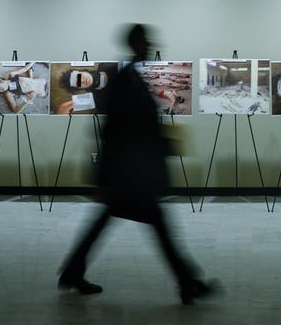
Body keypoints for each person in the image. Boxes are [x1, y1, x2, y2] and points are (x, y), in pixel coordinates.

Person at [57, 24, 219, 305]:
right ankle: (188, 283)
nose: (151, 44)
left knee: (110, 222)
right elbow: (114, 129)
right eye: (145, 40)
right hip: (131, 173)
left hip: (130, 172)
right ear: (134, 43)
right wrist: (109, 173)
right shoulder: (125, 78)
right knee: (158, 227)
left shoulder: (131, 76)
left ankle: (72, 272)